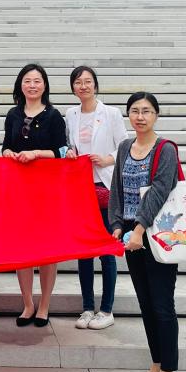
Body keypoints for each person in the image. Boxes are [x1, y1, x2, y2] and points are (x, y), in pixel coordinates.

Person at [108, 92, 181, 372]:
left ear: (156, 115)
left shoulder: (165, 149)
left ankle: (169, 368)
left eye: (147, 111)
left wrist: (139, 228)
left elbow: (159, 191)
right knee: (146, 303)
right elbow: (117, 189)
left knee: (162, 304)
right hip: (131, 236)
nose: (140, 116)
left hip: (157, 234)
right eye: (135, 111)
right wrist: (117, 224)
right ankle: (156, 363)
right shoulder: (125, 147)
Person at [1, 62, 68, 327]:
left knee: (47, 250)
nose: (32, 85)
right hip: (19, 190)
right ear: (20, 85)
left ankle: (44, 305)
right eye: (27, 80)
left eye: (37, 81)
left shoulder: (53, 116)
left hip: (46, 191)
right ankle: (28, 303)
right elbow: (7, 146)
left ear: (45, 85)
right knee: (23, 248)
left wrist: (36, 154)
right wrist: (8, 152)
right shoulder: (13, 114)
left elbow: (62, 151)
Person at [65, 65, 127, 330]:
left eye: (88, 81)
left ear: (95, 85)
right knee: (84, 251)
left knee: (105, 249)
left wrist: (106, 159)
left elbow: (124, 146)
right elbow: (69, 144)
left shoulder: (111, 113)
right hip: (81, 186)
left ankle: (107, 309)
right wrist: (69, 152)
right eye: (78, 82)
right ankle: (87, 308)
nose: (83, 86)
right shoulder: (71, 114)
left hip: (105, 185)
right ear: (73, 87)